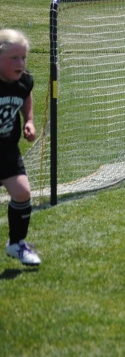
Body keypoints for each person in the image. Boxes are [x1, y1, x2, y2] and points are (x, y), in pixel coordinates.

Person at [0, 29, 41, 267]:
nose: (21, 63)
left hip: (6, 148)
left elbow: (26, 95)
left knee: (22, 192)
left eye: (23, 57)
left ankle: (16, 244)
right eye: (14, 58)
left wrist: (29, 121)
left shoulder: (23, 80)